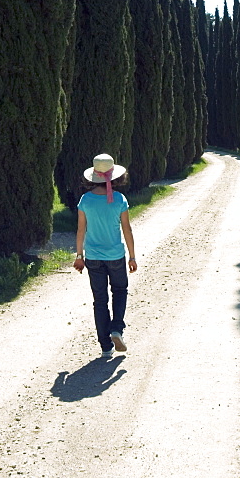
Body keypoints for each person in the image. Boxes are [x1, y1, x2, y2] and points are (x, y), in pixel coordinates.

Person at [73, 153, 137, 359]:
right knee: (120, 291)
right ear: (115, 177)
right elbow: (127, 229)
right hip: (116, 256)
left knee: (99, 300)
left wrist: (79, 255)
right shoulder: (119, 199)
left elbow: (81, 230)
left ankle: (105, 346)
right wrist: (132, 257)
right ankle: (117, 328)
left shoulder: (85, 200)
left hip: (92, 257)